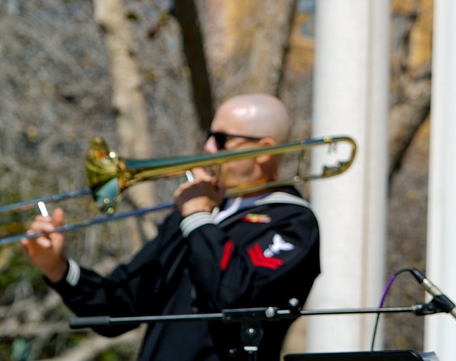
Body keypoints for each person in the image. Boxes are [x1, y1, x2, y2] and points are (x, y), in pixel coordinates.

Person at [22, 93, 321, 361]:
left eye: (220, 138)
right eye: (208, 134)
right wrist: (58, 269)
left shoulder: (294, 222)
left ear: (264, 150)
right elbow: (119, 305)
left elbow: (235, 297)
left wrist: (198, 217)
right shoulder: (196, 213)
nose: (206, 147)